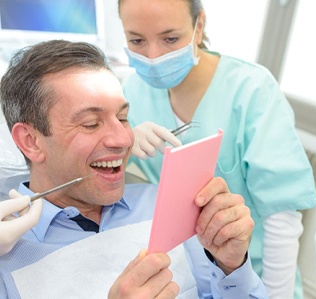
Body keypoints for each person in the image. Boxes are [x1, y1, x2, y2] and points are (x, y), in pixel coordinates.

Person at [0, 39, 268, 298]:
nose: (123, 140)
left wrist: (231, 267)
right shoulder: (7, 253)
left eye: (122, 118)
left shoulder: (166, 205)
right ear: (31, 141)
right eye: (91, 123)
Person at [118, 0, 316, 298]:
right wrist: (126, 144)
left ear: (199, 26)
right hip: (185, 273)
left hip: (255, 272)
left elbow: (282, 217)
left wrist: (276, 294)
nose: (153, 55)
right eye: (136, 40)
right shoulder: (133, 90)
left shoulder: (251, 89)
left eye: (170, 38)